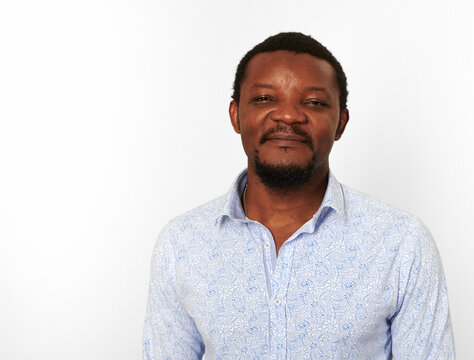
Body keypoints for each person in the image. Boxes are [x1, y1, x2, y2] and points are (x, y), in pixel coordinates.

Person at [143, 32, 455, 359]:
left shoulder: (402, 243)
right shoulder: (181, 244)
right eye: (265, 98)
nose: (288, 116)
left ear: (341, 123)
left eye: (314, 102)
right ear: (235, 115)